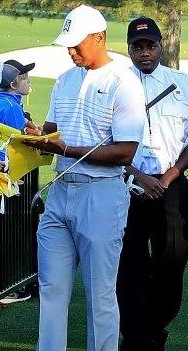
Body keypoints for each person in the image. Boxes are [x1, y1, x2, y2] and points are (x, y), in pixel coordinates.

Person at [26, 6, 146, 350]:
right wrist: (36, 135)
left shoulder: (123, 82)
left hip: (101, 195)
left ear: (99, 38)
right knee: (51, 290)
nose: (71, 51)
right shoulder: (65, 79)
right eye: (68, 45)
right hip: (60, 193)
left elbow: (125, 151)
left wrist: (65, 150)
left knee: (100, 295)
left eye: (77, 45)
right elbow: (53, 130)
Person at [117, 16, 188, 351]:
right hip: (125, 184)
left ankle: (153, 328)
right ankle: (136, 337)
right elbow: (106, 141)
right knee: (128, 265)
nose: (145, 52)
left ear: (160, 46)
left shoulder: (181, 83)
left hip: (171, 185)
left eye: (151, 45)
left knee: (171, 263)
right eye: (138, 46)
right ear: (129, 48)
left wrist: (167, 177)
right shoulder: (116, 84)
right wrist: (141, 178)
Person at [0, 59, 37, 161]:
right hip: (5, 161)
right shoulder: (13, 107)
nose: (29, 82)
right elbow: (20, 140)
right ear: (13, 85)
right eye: (25, 79)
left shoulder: (0, 101)